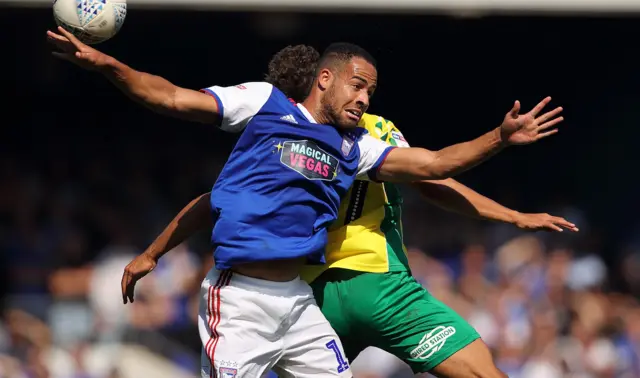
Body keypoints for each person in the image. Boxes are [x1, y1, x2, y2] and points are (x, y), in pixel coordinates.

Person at [47, 28, 564, 378]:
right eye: (357, 86)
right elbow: (171, 99)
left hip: (298, 304)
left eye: (371, 92)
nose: (364, 99)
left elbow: (432, 167)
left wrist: (498, 136)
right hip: (239, 301)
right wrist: (108, 64)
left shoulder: (355, 147)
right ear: (325, 78)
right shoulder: (264, 105)